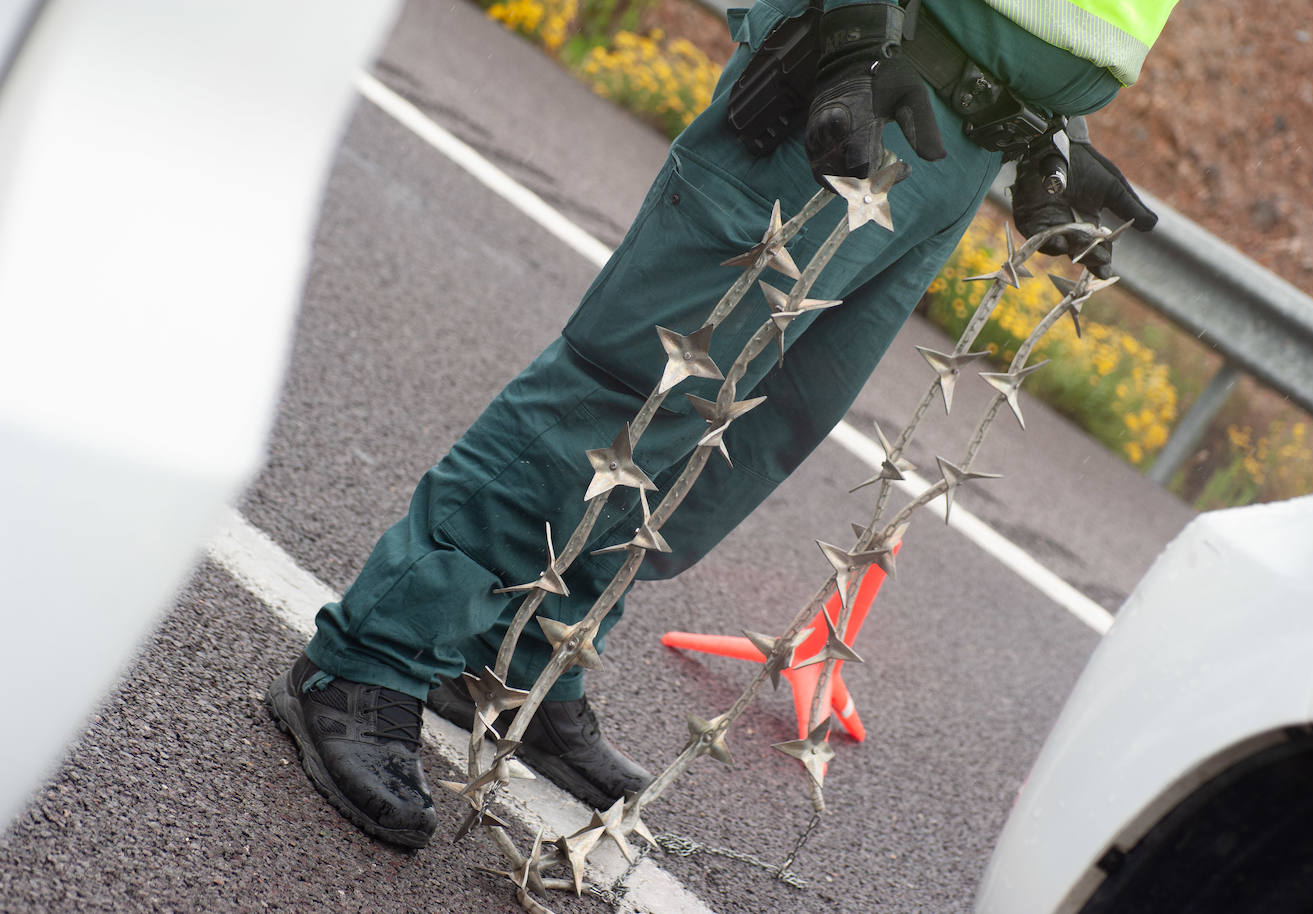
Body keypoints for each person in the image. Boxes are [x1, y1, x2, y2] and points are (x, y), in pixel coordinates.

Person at [267, 0, 1174, 849]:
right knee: (632, 394)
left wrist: (1054, 121)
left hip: (957, 139)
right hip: (871, 55)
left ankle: (518, 659)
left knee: (737, 438)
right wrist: (852, 26)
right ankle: (368, 659)